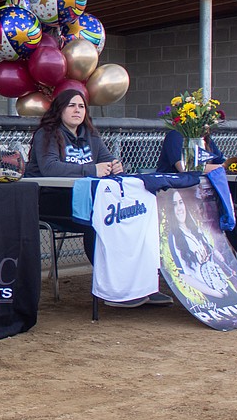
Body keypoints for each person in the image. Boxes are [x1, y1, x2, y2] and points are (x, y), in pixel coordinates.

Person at [25, 90, 172, 307]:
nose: (77, 110)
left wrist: (116, 165)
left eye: (82, 106)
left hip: (89, 199)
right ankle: (117, 290)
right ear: (59, 109)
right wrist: (91, 169)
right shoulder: (47, 133)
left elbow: (106, 159)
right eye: (71, 106)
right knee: (101, 220)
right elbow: (50, 168)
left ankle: (140, 284)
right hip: (52, 199)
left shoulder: (90, 134)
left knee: (132, 214)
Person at [156, 128, 237, 289]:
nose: (207, 125)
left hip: (201, 193)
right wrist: (224, 166)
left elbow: (219, 161)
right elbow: (184, 167)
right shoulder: (176, 136)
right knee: (225, 211)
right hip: (174, 195)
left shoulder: (206, 139)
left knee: (234, 210)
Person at [165, 189, 233, 298]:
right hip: (207, 294)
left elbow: (211, 250)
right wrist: (214, 294)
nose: (179, 208)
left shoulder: (196, 230)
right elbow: (184, 276)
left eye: (181, 202)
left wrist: (217, 254)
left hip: (220, 284)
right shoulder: (174, 238)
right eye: (174, 205)